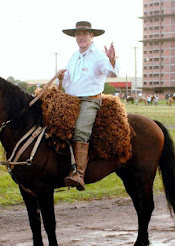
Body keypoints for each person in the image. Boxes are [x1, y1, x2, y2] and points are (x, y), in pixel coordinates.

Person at [58, 21, 119, 191]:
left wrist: (112, 60)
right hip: (71, 100)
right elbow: (67, 80)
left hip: (89, 100)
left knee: (80, 130)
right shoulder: (74, 56)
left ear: (92, 36)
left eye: (85, 34)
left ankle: (79, 174)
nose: (81, 37)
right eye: (78, 34)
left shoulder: (99, 55)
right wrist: (60, 77)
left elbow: (111, 72)